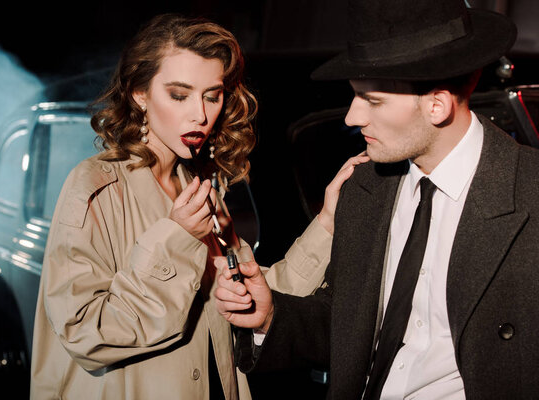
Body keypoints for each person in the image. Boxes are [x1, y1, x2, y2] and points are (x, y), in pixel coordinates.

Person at [30, 13, 368, 400]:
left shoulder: (201, 191)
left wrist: (327, 221)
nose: (201, 114)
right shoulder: (95, 187)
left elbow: (247, 298)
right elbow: (87, 331)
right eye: (179, 95)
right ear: (140, 94)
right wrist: (177, 238)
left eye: (212, 95)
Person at [215, 0, 539, 399]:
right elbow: (348, 322)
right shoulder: (364, 188)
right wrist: (271, 317)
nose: (352, 117)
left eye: (372, 100)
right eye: (355, 96)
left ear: (436, 105)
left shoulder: (530, 193)